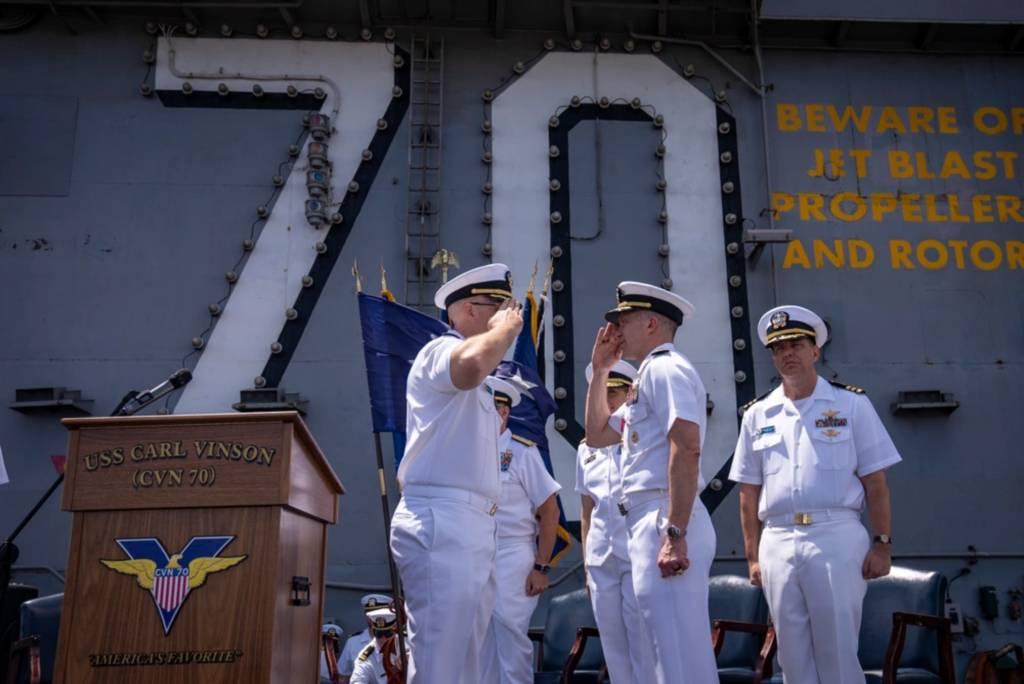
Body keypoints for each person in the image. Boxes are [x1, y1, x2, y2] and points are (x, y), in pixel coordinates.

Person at [729, 305, 901, 684]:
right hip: (777, 539)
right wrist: (753, 555)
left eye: (796, 344)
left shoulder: (852, 405)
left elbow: (876, 482)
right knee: (790, 656)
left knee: (837, 651)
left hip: (835, 535)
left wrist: (882, 544)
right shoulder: (758, 414)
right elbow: (748, 491)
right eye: (778, 348)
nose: (787, 354)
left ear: (815, 351)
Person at [389, 263, 523, 684]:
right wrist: (504, 332)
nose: (508, 315)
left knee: (467, 663)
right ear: (466, 311)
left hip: (472, 524)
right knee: (440, 660)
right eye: (498, 307)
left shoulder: (483, 381)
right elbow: (468, 366)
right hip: (443, 521)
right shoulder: (439, 351)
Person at [583, 281, 718, 684]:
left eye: (625, 321)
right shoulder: (645, 380)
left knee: (678, 653)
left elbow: (686, 446)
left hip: (665, 515)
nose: (617, 330)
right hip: (646, 519)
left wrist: (675, 530)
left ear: (653, 324)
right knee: (663, 651)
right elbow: (596, 436)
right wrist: (601, 371)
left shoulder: (667, 369)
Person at [576, 361, 656, 684]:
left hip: (634, 553)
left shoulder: (641, 440)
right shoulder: (586, 449)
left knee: (643, 649)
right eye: (603, 393)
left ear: (629, 394)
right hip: (601, 558)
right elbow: (586, 510)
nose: (608, 401)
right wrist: (585, 565)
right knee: (614, 650)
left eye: (614, 393)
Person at [479, 375, 561, 684]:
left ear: (503, 412)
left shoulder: (523, 453)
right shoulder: (467, 452)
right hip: (476, 551)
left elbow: (549, 510)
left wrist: (541, 566)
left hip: (513, 553)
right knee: (481, 637)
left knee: (510, 632)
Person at [336, 594, 393, 683]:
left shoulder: (404, 643)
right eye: (369, 613)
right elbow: (343, 677)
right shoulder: (353, 643)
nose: (372, 618)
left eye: (378, 613)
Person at [350, 608, 408, 684]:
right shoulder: (367, 656)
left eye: (388, 634)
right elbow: (357, 680)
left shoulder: (408, 644)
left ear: (395, 631)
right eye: (379, 634)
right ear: (373, 632)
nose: (383, 639)